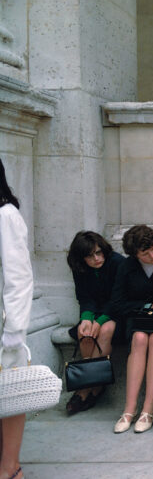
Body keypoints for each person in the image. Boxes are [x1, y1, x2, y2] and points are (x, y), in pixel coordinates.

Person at [109, 225, 153, 433]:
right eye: (145, 254)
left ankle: (149, 407)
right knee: (139, 338)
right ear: (135, 255)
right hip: (137, 317)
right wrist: (148, 305)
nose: (152, 256)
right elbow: (117, 303)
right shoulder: (126, 266)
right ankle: (129, 408)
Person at [65, 231, 124, 415]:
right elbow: (84, 297)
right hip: (96, 312)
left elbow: (119, 298)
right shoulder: (80, 268)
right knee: (84, 332)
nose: (97, 258)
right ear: (81, 258)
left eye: (98, 252)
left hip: (119, 313)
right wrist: (86, 318)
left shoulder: (117, 262)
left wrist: (100, 320)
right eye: (90, 256)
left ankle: (84, 388)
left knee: (105, 330)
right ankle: (95, 385)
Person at [0, 159, 34, 479]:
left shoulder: (6, 215)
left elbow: (19, 278)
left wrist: (14, 330)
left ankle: (10, 467)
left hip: (3, 327)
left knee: (10, 393)